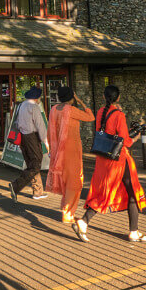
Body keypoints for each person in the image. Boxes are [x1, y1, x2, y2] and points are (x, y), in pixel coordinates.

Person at [73, 85, 146, 243]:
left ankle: (84, 222)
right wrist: (136, 136)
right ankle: (133, 232)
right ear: (118, 97)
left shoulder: (101, 112)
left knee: (104, 191)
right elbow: (125, 141)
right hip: (119, 159)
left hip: (103, 158)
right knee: (133, 192)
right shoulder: (119, 115)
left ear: (103, 96)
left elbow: (107, 133)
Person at [46, 87, 96, 223]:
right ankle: (68, 213)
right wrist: (81, 101)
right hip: (71, 150)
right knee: (74, 182)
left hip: (58, 151)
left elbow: (50, 130)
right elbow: (91, 117)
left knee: (67, 181)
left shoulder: (53, 109)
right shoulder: (71, 110)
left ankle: (66, 211)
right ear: (71, 96)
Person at [8, 86, 50, 202]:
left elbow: (17, 122)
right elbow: (40, 125)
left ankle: (38, 191)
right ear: (37, 97)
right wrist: (46, 141)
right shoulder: (34, 107)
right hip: (32, 137)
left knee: (31, 163)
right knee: (35, 165)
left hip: (23, 137)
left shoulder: (22, 105)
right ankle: (16, 185)